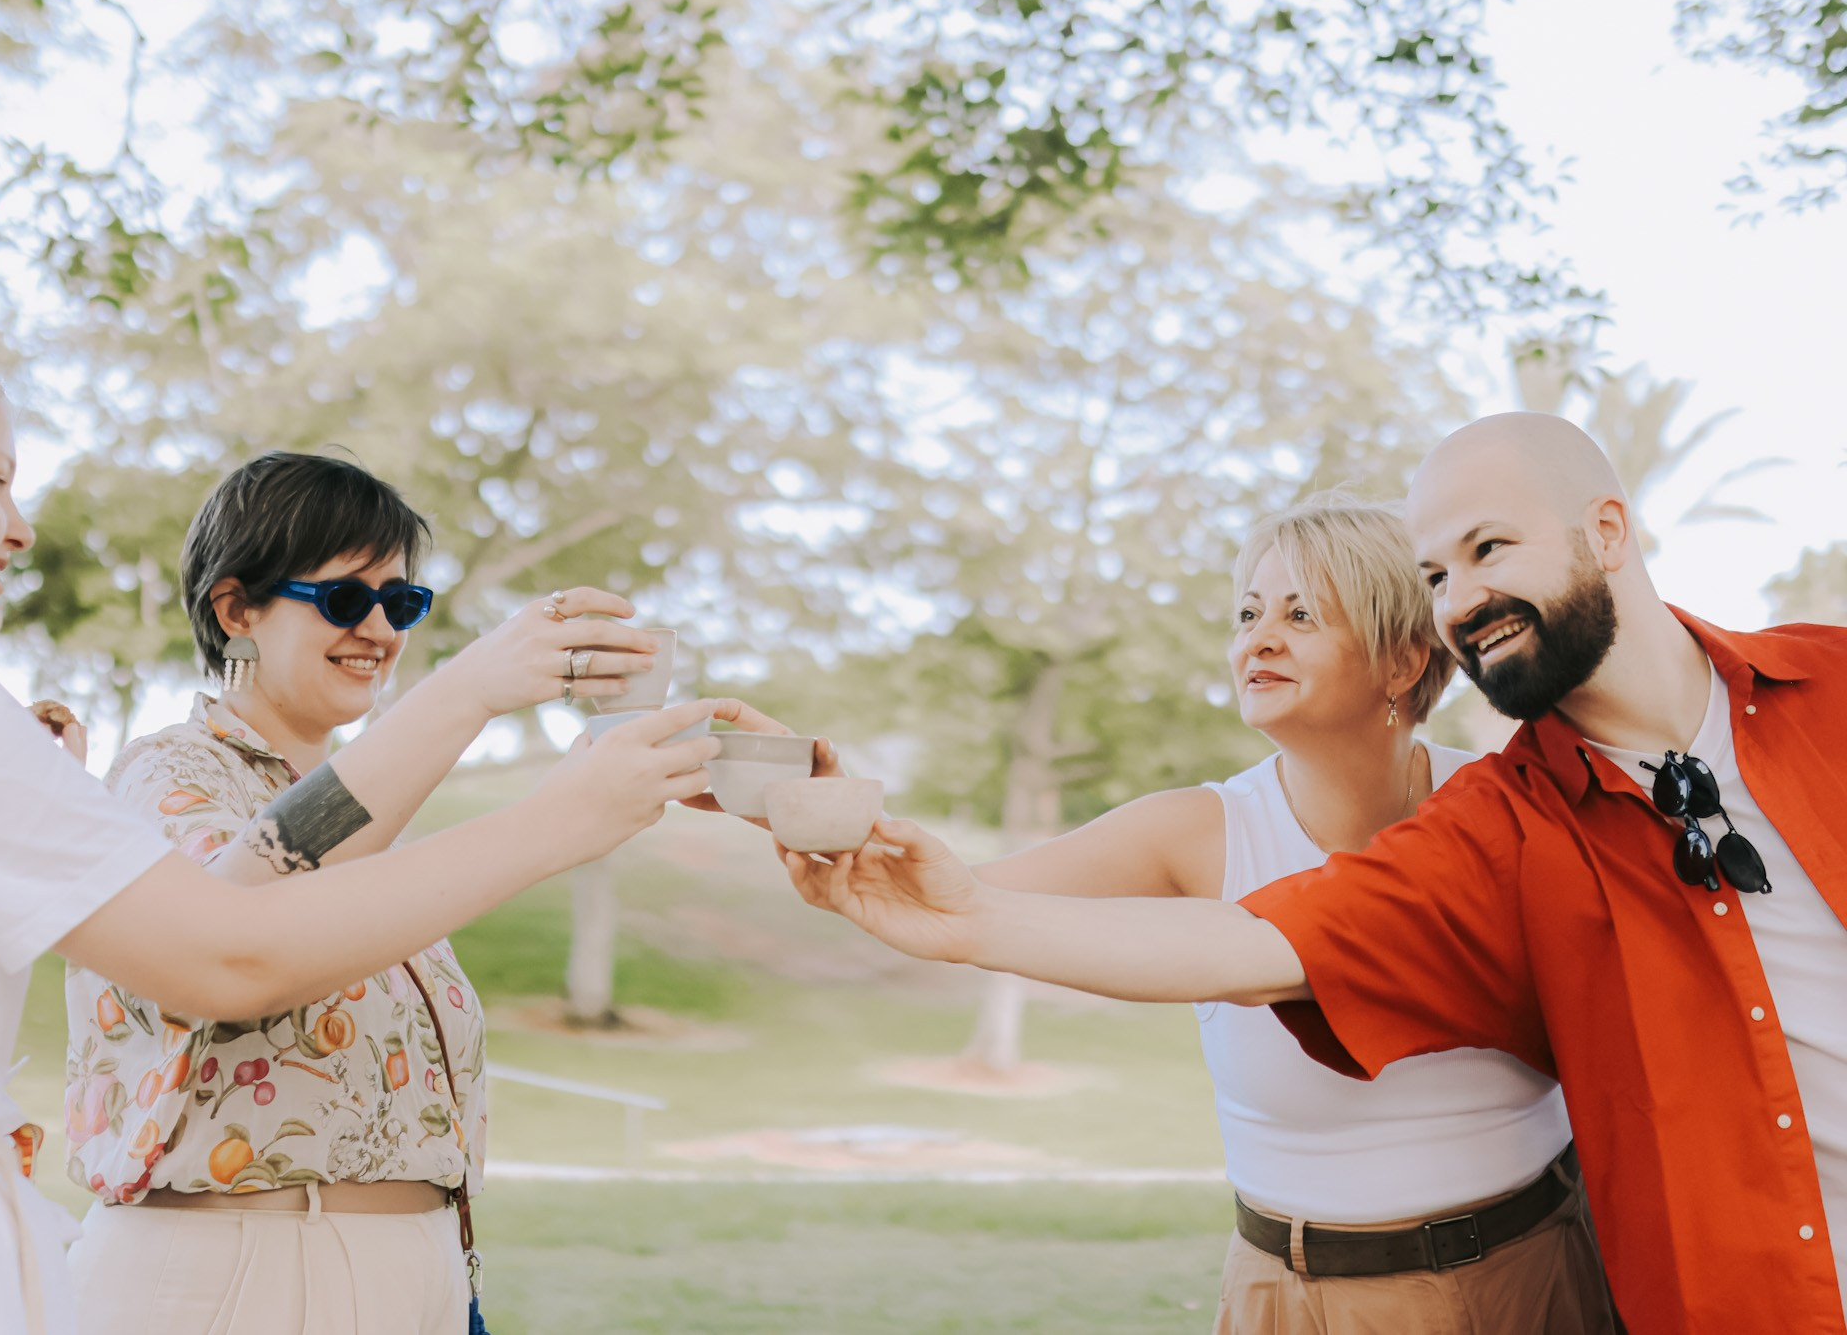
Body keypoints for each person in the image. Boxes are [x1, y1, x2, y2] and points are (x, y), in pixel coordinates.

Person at [782, 414, 1847, 1333]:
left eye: (1488, 548)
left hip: (1529, 1262)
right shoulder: (1502, 826)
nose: (1462, 596)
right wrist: (936, 894)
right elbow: (1258, 945)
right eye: (1437, 576)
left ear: (1605, 531)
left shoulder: (1820, 690)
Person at [0, 307, 719, 1335]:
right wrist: (540, 791)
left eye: (403, 604)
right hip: (143, 1264)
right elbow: (228, 944)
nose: (19, 526)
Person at [959, 493, 1608, 1331]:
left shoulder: (1507, 807)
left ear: (1404, 661)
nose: (1257, 639)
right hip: (1284, 1299)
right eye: (1248, 613)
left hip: (1529, 1282)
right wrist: (793, 804)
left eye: (1301, 614)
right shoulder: (1195, 832)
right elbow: (952, 891)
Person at [61, 453, 668, 1333]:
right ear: (237, 610)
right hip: (250, 1275)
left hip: (414, 1276)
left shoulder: (386, 821)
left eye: (403, 602)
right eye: (347, 598)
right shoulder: (169, 770)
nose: (380, 629)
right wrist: (475, 700)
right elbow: (229, 928)